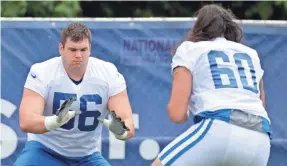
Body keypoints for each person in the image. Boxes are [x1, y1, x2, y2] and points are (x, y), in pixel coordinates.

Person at [152, 4, 271, 166]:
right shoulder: (251, 54)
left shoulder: (190, 49)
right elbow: (260, 103)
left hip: (219, 127)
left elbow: (177, 114)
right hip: (260, 139)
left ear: (199, 27)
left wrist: (190, 110)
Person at [14, 23, 135, 166]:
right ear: (61, 49)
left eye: (83, 50)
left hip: (87, 156)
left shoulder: (107, 73)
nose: (78, 55)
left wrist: (121, 132)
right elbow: (26, 121)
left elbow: (127, 122)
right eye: (72, 50)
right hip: (45, 150)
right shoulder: (43, 72)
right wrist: (55, 121)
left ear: (90, 49)